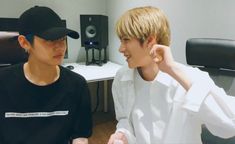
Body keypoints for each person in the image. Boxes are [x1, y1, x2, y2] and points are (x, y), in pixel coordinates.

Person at [108, 6, 235, 144]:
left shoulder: (190, 79)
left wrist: (173, 69)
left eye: (126, 40)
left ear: (150, 41)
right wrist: (122, 135)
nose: (120, 48)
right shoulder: (122, 78)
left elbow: (230, 125)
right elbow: (125, 120)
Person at [0, 6, 92, 144]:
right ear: (24, 42)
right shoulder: (3, 83)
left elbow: (79, 135)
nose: (60, 46)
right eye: (49, 40)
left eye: (62, 39)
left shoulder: (77, 85)